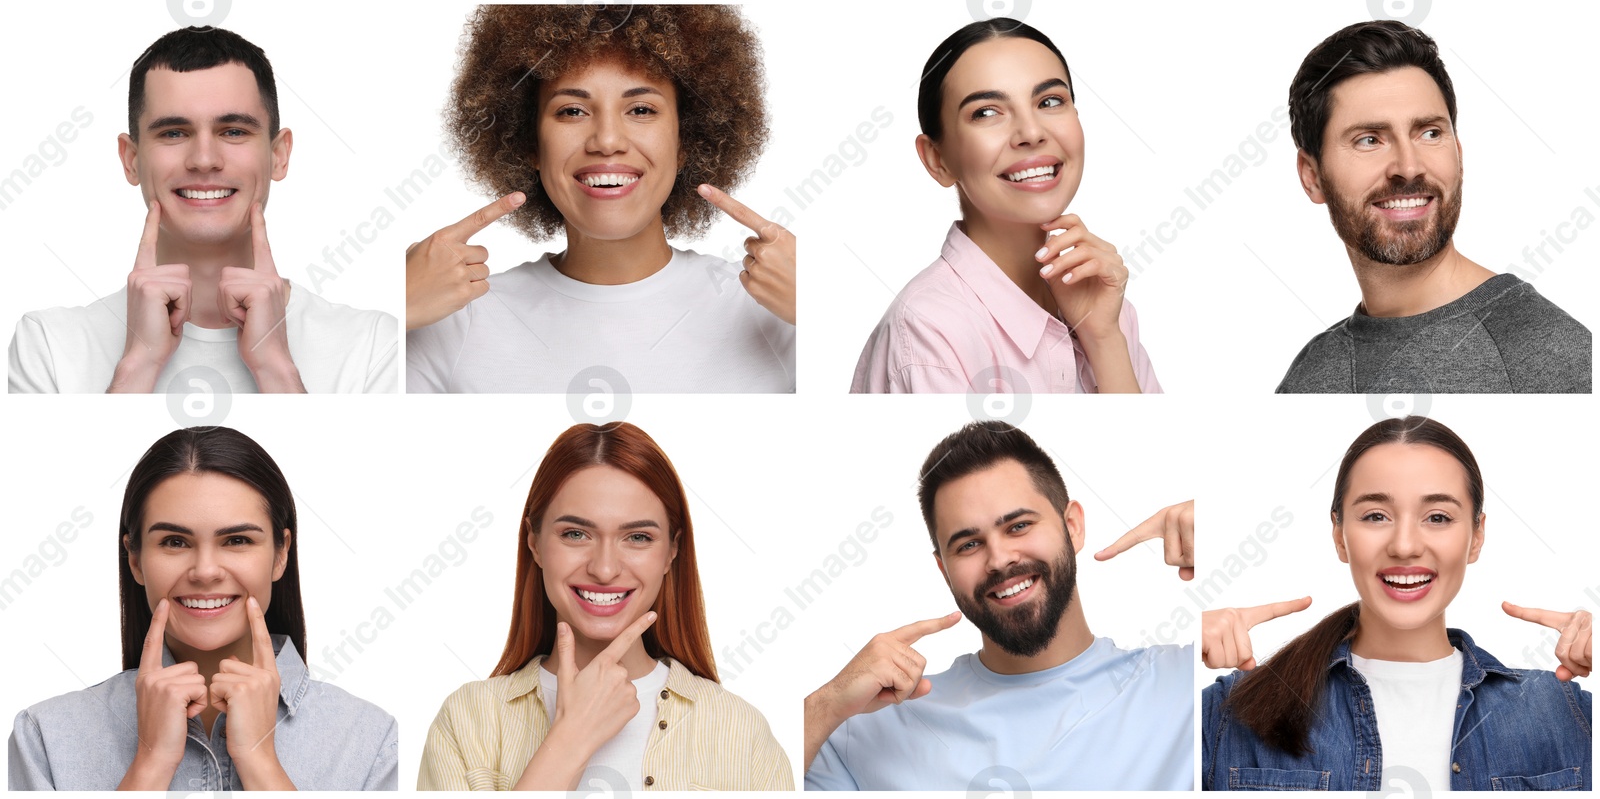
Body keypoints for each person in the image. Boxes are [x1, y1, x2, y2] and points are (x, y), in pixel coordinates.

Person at [406, 5, 794, 393]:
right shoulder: (454, 321)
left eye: (641, 109)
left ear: (685, 141)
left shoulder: (776, 309)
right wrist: (401, 304)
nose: (607, 140)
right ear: (530, 144)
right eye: (572, 111)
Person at [1201, 416, 1591, 791]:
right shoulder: (1230, 711)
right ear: (1339, 535)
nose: (1404, 546)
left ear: (1476, 536)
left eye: (1437, 517)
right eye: (1375, 516)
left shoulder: (1564, 714)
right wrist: (1183, 652)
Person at [7, 25, 398, 393]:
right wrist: (138, 363)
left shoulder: (372, 344)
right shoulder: (47, 344)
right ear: (130, 160)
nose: (205, 159)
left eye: (233, 131)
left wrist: (276, 367)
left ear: (279, 156)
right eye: (174, 133)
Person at [804, 420, 1192, 790]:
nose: (999, 559)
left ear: (1072, 526)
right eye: (968, 544)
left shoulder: (1184, 684)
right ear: (944, 568)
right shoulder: (868, 728)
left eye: (1019, 525)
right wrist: (825, 705)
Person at [8, 426, 398, 790]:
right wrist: (151, 762)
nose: (205, 571)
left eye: (238, 541)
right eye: (175, 542)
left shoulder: (372, 740)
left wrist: (261, 762)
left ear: (280, 555)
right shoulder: (45, 737)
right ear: (135, 559)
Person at [418, 421, 792, 790]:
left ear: (671, 552)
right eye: (576, 534)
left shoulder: (743, 733)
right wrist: (570, 740)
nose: (605, 568)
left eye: (638, 537)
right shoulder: (467, 720)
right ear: (534, 543)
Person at [1279, 19, 1590, 392]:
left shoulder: (1554, 356)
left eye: (1430, 133)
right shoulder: (1309, 376)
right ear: (1312, 176)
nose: (1408, 167)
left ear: (1458, 153)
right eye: (1369, 140)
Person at [853, 19, 1159, 393]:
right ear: (937, 159)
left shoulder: (1109, 308)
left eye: (1049, 101)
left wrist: (1104, 339)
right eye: (986, 112)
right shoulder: (928, 331)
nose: (1031, 133)